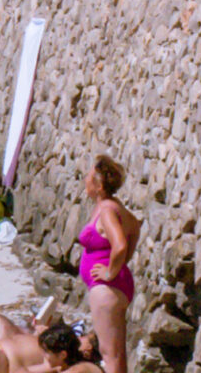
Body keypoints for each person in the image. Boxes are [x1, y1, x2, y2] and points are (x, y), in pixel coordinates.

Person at [78, 155, 139, 373]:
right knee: (117, 355)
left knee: (109, 355)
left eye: (88, 175)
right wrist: (122, 265)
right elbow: (134, 228)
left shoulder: (106, 210)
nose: (85, 179)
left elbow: (120, 244)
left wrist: (111, 271)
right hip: (114, 285)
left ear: (99, 184)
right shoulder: (114, 206)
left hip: (106, 288)